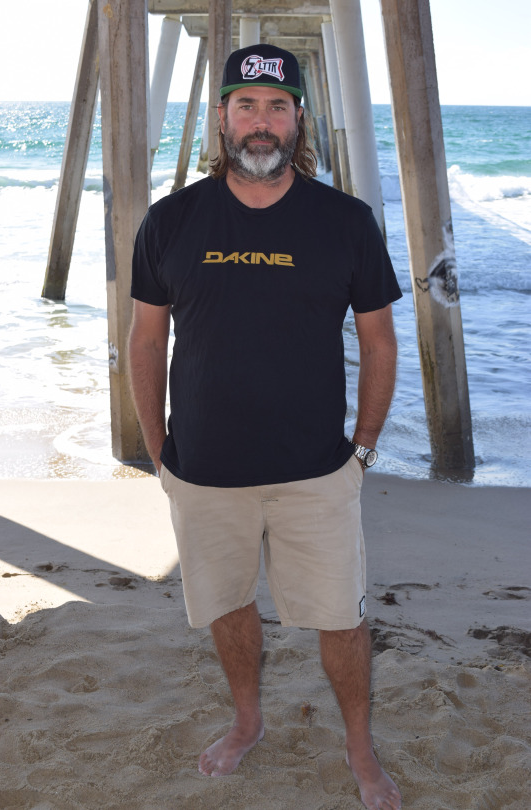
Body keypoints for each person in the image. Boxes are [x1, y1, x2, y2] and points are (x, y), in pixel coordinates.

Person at [129, 43, 402, 810]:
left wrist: (362, 450)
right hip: (202, 471)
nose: (260, 121)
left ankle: (359, 747)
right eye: (245, 105)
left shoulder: (345, 222)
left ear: (298, 119)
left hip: (316, 473)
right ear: (221, 118)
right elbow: (146, 339)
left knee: (339, 620)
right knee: (226, 605)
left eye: (277, 106)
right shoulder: (171, 220)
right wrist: (157, 450)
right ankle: (247, 721)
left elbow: (380, 342)